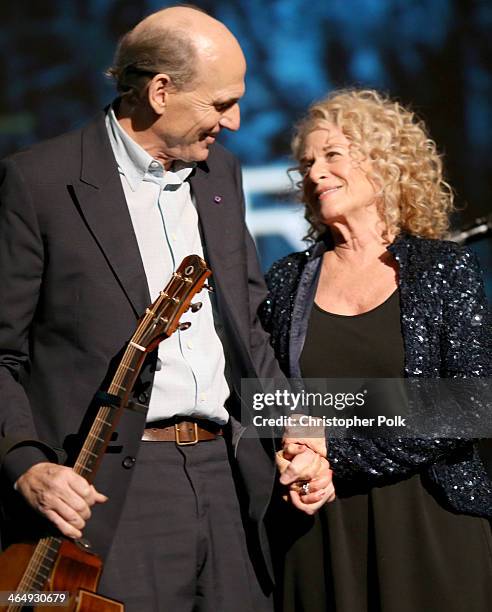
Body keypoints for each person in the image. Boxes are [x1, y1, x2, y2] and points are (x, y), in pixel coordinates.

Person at [0, 7, 334, 612]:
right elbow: (2, 352)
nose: (233, 122)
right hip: (109, 495)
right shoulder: (39, 183)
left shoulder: (220, 176)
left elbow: (250, 330)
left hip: (228, 476)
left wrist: (299, 423)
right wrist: (25, 463)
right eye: (221, 103)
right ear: (160, 91)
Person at [261, 89, 492, 612]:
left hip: (430, 525)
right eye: (307, 163)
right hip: (318, 528)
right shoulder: (286, 281)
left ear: (385, 160)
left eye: (333, 154)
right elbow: (262, 400)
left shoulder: (442, 269)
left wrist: (332, 450)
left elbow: (469, 405)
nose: (315, 172)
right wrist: (302, 453)